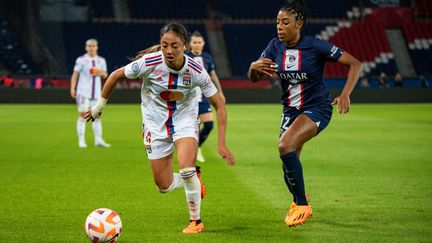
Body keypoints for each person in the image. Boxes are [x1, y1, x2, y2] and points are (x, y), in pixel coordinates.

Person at [84, 23, 235, 234]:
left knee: (186, 167)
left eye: (174, 45)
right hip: (155, 126)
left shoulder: (196, 71)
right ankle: (191, 179)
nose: (169, 50)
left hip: (185, 122)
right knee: (163, 186)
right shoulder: (148, 63)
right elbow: (115, 76)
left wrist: (221, 143)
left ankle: (195, 221)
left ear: (185, 45)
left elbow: (219, 103)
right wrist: (99, 107)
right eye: (164, 45)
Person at [248, 0, 362, 227]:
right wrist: (253, 67)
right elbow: (255, 77)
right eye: (277, 22)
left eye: (285, 22)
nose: (279, 27)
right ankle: (299, 200)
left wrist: (346, 93)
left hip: (317, 108)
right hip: (290, 110)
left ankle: (302, 205)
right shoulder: (274, 46)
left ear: (299, 23)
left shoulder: (316, 46)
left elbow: (355, 64)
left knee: (284, 146)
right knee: (287, 163)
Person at [186, 31, 225, 163]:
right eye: (194, 42)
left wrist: (220, 92)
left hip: (203, 98)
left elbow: (213, 75)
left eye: (199, 42)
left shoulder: (207, 57)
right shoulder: (185, 57)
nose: (197, 45)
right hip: (188, 98)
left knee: (209, 125)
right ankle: (189, 152)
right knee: (192, 128)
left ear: (203, 44)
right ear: (190, 44)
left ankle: (197, 148)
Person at [70, 39, 111, 148]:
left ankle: (98, 140)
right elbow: (75, 74)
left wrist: (100, 72)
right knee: (83, 115)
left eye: (93, 46)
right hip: (83, 92)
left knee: (97, 115)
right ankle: (81, 141)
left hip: (97, 92)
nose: (91, 48)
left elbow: (105, 75)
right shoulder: (81, 60)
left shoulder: (101, 60)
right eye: (89, 46)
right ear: (86, 47)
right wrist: (72, 87)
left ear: (97, 47)